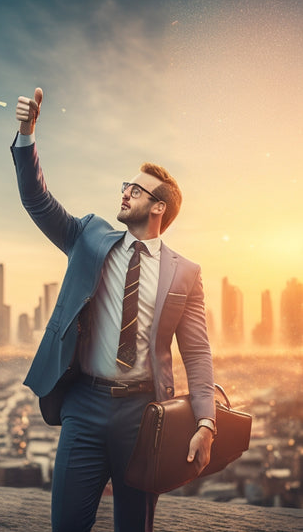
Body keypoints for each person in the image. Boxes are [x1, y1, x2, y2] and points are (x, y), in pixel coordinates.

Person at [11, 87, 216, 532]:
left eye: (136, 189)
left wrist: (206, 421)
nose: (124, 193)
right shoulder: (88, 236)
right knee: (67, 523)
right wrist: (26, 136)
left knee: (135, 526)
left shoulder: (186, 274)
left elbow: (197, 354)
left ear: (158, 207)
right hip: (83, 404)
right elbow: (37, 201)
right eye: (124, 186)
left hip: (146, 415)